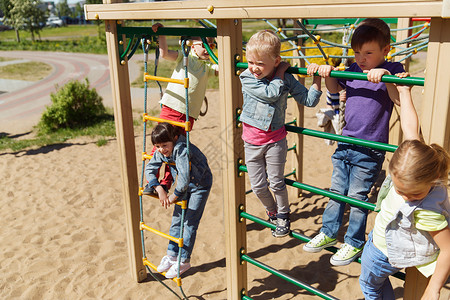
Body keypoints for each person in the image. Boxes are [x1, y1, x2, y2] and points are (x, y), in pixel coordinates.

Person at [303, 18, 407, 266]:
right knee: (337, 192)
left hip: (371, 148)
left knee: (357, 198)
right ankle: (328, 233)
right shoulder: (352, 69)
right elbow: (334, 87)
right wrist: (326, 71)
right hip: (346, 143)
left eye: (368, 53)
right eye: (357, 52)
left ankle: (353, 242)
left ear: (385, 50)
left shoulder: (393, 68)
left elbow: (399, 99)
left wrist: (386, 76)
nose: (361, 59)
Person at [359, 79, 450, 300]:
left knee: (369, 286)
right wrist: (404, 92)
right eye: (399, 190)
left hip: (383, 252)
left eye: (414, 194)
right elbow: (410, 128)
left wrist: (433, 288)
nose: (405, 197)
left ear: (433, 179)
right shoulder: (415, 162)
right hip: (386, 242)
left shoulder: (428, 210)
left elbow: (448, 249)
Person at [239, 29, 322, 237]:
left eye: (260, 63)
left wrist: (317, 79)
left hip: (275, 140)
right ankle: (272, 211)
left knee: (276, 182)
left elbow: (308, 100)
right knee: (258, 186)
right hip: (251, 142)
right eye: (251, 61)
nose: (254, 68)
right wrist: (279, 74)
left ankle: (284, 215)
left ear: (276, 61)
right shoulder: (247, 77)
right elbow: (270, 94)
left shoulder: (285, 77)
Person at [143, 22, 218, 195]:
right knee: (161, 145)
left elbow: (223, 68)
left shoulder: (208, 66)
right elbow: (164, 53)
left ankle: (166, 184)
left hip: (188, 116)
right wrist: (161, 34)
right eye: (205, 44)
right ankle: (151, 182)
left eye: (212, 45)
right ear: (192, 45)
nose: (209, 48)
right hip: (171, 106)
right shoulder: (185, 57)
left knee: (176, 150)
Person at [145, 122, 213, 279]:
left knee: (190, 223)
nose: (162, 149)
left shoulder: (181, 149)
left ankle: (183, 260)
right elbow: (150, 169)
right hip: (185, 186)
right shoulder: (161, 151)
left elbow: (183, 177)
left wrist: (173, 196)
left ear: (175, 139)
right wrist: (159, 188)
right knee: (177, 220)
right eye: (158, 146)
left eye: (164, 145)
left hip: (200, 185)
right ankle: (172, 255)